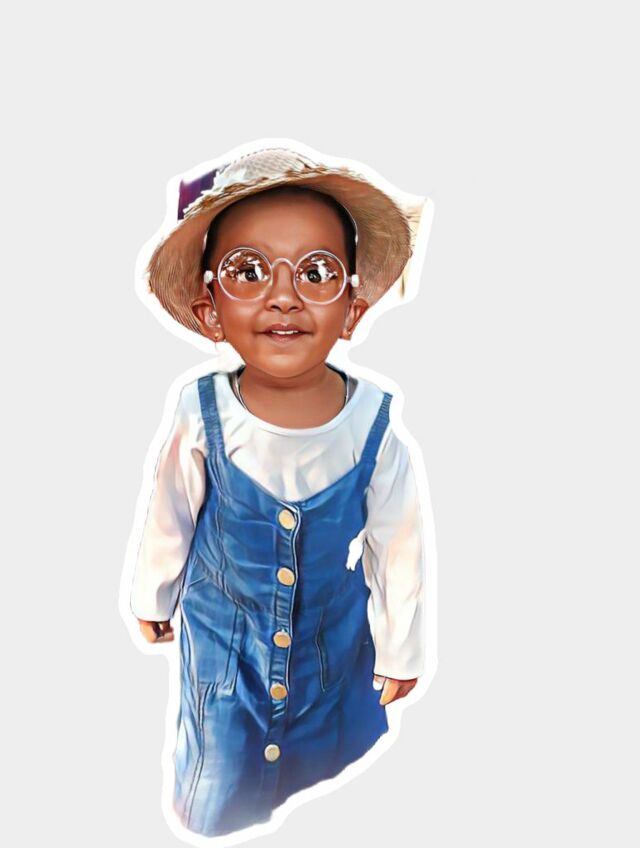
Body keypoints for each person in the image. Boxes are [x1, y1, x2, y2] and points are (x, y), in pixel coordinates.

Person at [128, 145, 432, 837]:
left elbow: (400, 543)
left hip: (332, 657)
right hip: (224, 659)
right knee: (220, 787)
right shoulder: (201, 410)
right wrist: (152, 594)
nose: (283, 296)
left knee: (331, 787)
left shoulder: (373, 424)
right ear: (210, 311)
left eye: (316, 273)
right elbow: (170, 511)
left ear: (352, 309)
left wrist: (400, 648)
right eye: (249, 272)